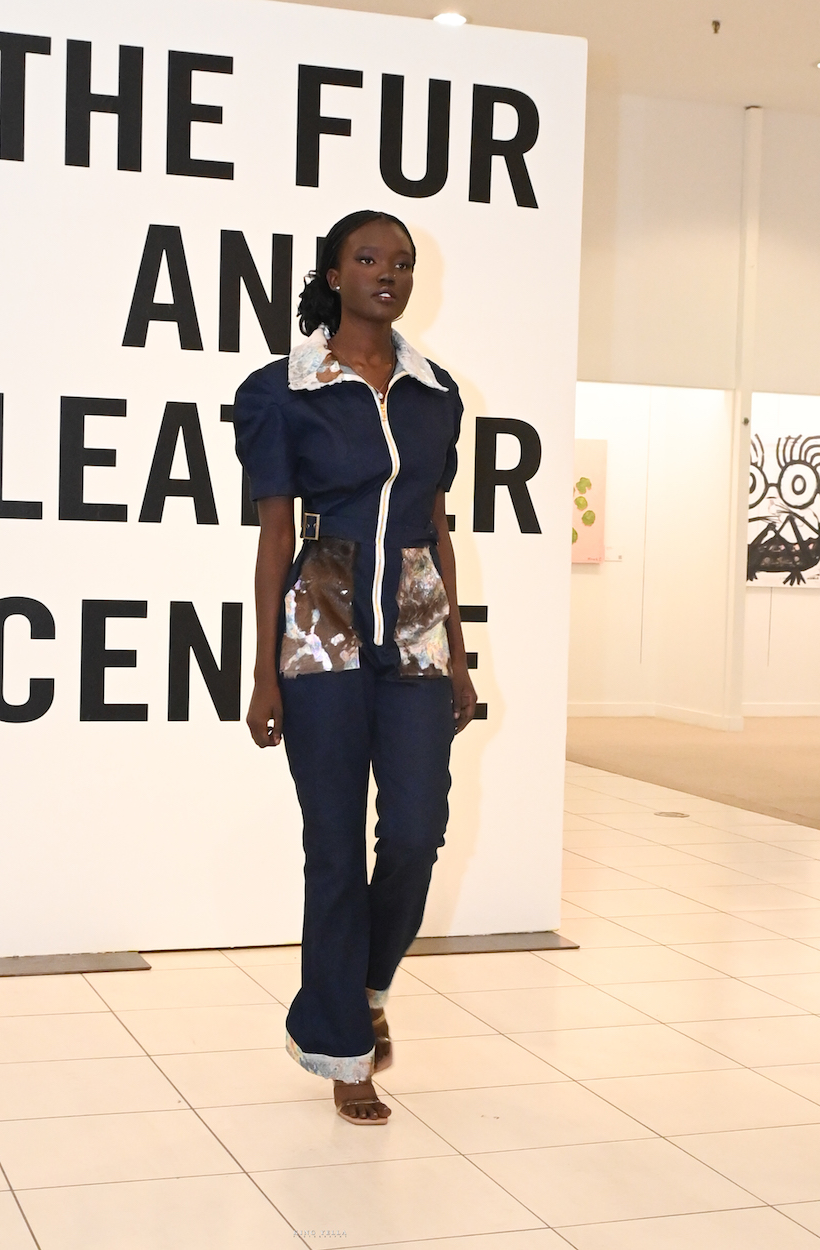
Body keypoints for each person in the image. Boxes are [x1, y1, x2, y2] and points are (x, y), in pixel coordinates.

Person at [233, 209, 477, 1125]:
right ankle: (343, 1050)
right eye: (369, 259)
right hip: (321, 620)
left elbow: (438, 528)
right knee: (334, 847)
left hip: (415, 623)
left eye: (402, 262)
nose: (389, 273)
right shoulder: (282, 390)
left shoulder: (436, 393)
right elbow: (274, 538)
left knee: (415, 831)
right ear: (334, 276)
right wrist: (265, 671)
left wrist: (459, 657)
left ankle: (367, 987)